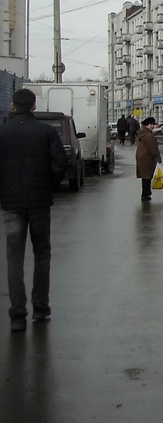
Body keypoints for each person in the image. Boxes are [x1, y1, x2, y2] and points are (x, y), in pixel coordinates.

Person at [0, 88, 69, 332]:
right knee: (42, 254)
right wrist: (47, 184)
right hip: (40, 202)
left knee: (14, 258)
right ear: (33, 106)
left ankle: (17, 314)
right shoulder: (46, 132)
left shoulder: (3, 132)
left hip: (11, 204)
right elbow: (61, 162)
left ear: (12, 105)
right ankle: (40, 307)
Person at [135, 116, 162, 202]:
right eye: (151, 124)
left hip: (142, 157)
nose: (152, 126)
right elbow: (153, 149)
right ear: (147, 125)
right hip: (147, 158)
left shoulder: (142, 133)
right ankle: (145, 194)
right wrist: (158, 157)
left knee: (145, 176)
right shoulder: (149, 135)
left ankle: (145, 193)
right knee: (147, 176)